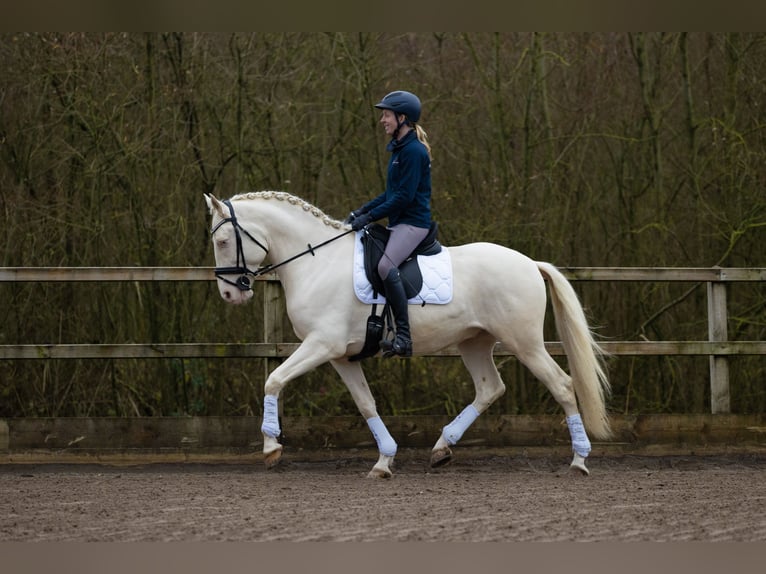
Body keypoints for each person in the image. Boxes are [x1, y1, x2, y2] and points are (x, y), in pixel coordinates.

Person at [346, 90, 433, 358]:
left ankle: (404, 337)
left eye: (386, 115)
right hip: (400, 221)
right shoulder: (399, 150)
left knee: (385, 265)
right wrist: (362, 210)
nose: (382, 120)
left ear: (402, 118)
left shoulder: (414, 152)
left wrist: (369, 218)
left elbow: (404, 198)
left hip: (414, 224)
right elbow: (390, 195)